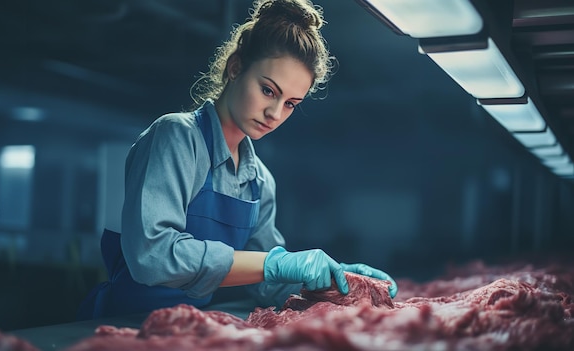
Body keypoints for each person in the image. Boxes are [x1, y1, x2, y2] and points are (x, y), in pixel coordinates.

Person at [78, 0, 397, 320]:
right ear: (235, 67)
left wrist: (338, 280)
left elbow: (268, 285)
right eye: (268, 90)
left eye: (290, 104)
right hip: (122, 324)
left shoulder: (259, 180)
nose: (274, 113)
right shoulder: (176, 137)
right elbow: (154, 257)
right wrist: (274, 262)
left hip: (187, 328)